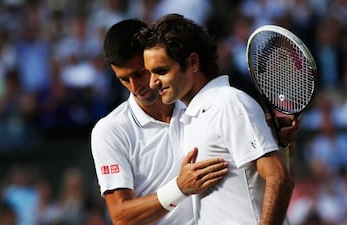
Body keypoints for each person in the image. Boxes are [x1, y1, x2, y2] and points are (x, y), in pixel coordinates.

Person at [140, 14, 295, 225]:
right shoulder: (192, 116)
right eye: (149, 73)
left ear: (193, 62)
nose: (152, 83)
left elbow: (279, 179)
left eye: (161, 71)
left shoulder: (229, 104)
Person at [90, 19, 230, 225]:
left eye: (139, 73)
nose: (135, 86)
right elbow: (121, 216)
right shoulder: (109, 131)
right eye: (123, 79)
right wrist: (180, 188)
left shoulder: (200, 105)